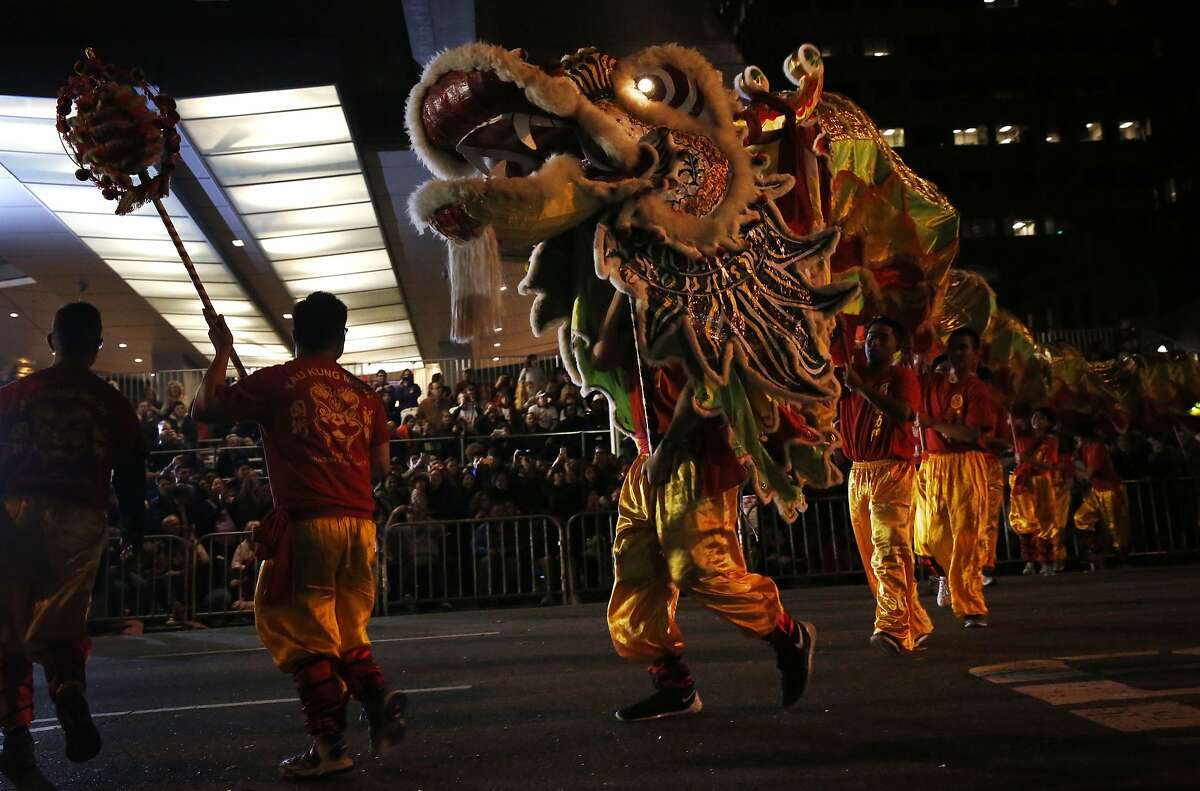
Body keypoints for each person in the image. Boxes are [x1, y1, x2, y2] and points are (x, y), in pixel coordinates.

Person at [194, 292, 405, 779]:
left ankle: (330, 747)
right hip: (359, 524)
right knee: (346, 628)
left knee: (299, 630)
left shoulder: (279, 381)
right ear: (342, 337)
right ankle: (374, 694)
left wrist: (222, 349)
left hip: (309, 524)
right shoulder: (364, 394)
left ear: (296, 334)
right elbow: (379, 468)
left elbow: (206, 407)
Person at [591, 290, 814, 721]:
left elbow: (707, 384)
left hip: (694, 457)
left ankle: (788, 636)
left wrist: (669, 448)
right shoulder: (634, 310)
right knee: (637, 572)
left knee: (700, 571)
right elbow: (603, 356)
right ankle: (674, 685)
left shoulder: (698, 300)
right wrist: (619, 291)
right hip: (647, 462)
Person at [0, 302, 145, 776]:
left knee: (8, 630)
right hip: (79, 518)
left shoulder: (14, 396)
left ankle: (17, 736)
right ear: (97, 346)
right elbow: (130, 472)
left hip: (13, 512)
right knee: (61, 621)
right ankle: (68, 690)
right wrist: (135, 528)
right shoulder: (112, 403)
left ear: (53, 341)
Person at [838, 317, 933, 655]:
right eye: (869, 337)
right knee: (871, 555)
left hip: (892, 471)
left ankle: (892, 625)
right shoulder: (851, 375)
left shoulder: (900, 376)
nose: (872, 343)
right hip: (858, 473)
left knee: (889, 548)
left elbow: (904, 413)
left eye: (881, 338)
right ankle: (915, 621)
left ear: (896, 346)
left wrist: (861, 389)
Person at [914, 327, 994, 628]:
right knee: (928, 536)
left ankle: (971, 606)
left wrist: (933, 423)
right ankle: (947, 574)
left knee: (967, 538)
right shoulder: (931, 382)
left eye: (964, 347)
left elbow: (971, 434)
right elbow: (909, 377)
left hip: (965, 467)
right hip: (932, 467)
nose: (958, 353)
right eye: (954, 347)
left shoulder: (976, 390)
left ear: (975, 354)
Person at [1008, 408, 1062, 576]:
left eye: (1042, 417)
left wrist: (1027, 459)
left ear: (1049, 423)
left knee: (1044, 521)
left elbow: (1049, 465)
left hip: (1041, 482)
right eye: (1035, 416)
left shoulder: (1050, 441)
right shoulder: (1021, 437)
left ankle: (1046, 562)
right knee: (1023, 522)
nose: (1037, 419)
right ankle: (1029, 561)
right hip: (1023, 482)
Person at [1073, 424, 1132, 569]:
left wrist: (1072, 470)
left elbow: (1089, 474)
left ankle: (1123, 558)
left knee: (1115, 525)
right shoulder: (1083, 449)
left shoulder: (1096, 447)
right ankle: (1094, 547)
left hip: (1109, 489)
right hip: (1096, 490)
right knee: (1081, 517)